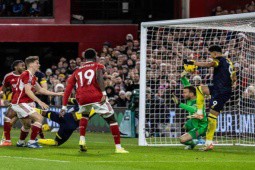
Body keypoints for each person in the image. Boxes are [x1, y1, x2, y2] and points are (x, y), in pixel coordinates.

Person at [61, 48, 128, 153]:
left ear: (85, 58)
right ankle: (118, 147)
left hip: (82, 98)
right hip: (95, 96)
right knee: (112, 119)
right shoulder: (97, 66)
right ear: (95, 56)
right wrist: (104, 93)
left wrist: (64, 106)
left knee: (85, 115)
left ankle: (82, 139)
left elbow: (68, 89)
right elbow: (99, 77)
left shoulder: (77, 70)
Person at [183, 45, 236, 151]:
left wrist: (194, 63)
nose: (211, 57)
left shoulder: (218, 60)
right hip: (218, 88)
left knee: (212, 118)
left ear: (215, 53)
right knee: (199, 89)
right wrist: (230, 83)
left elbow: (210, 64)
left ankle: (208, 143)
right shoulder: (229, 61)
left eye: (211, 54)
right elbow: (234, 77)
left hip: (222, 92)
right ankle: (199, 112)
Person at [11, 56, 63, 148]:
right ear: (31, 65)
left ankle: (21, 142)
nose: (39, 65)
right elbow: (28, 91)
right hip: (20, 103)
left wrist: (57, 93)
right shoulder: (26, 74)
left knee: (27, 125)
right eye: (37, 63)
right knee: (39, 118)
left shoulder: (32, 77)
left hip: (22, 103)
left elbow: (42, 90)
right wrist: (39, 102)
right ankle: (31, 142)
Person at [172, 71, 207, 149]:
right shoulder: (190, 97)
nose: (183, 94)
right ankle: (195, 140)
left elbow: (194, 110)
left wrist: (179, 104)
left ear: (191, 94)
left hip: (201, 126)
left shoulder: (198, 101)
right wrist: (182, 77)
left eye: (185, 93)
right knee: (185, 125)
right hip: (194, 121)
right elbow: (187, 85)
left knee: (182, 140)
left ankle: (197, 141)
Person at [0, 60, 25, 146]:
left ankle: (35, 139)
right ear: (15, 67)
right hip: (16, 102)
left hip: (27, 102)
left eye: (24, 66)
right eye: (22, 65)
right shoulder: (9, 76)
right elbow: (3, 88)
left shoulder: (27, 75)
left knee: (29, 123)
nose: (24, 67)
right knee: (8, 118)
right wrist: (2, 96)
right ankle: (7, 140)